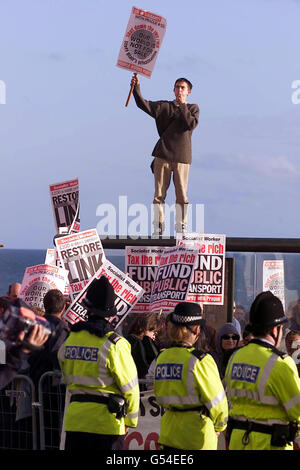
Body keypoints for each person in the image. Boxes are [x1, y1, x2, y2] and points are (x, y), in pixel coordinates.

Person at [58, 276, 140, 450]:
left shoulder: (71, 338)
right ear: (110, 313)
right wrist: (130, 421)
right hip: (106, 424)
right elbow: (131, 388)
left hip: (75, 421)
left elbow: (64, 372)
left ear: (87, 308)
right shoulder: (115, 345)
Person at [224, 291, 300, 450]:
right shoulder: (280, 363)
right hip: (269, 444)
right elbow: (297, 411)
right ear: (275, 330)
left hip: (238, 442)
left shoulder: (235, 357)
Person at [131, 73, 199, 235]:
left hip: (182, 157)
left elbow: (189, 124)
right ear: (173, 89)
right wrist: (135, 88)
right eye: (177, 87)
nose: (179, 90)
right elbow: (143, 104)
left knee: (182, 194)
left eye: (183, 88)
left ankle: (181, 225)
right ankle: (158, 226)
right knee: (159, 195)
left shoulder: (192, 108)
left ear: (188, 91)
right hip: (163, 154)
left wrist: (182, 106)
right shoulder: (164, 106)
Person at [154, 302, 228, 450]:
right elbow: (217, 401)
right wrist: (220, 426)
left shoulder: (163, 357)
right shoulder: (200, 360)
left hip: (169, 433)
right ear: (196, 329)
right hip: (196, 437)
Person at [28, 289, 69, 387]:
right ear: (63, 308)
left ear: (45, 306)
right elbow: (58, 355)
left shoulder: (35, 324)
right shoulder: (61, 329)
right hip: (52, 386)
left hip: (33, 380)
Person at [126, 311, 161, 386]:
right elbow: (143, 369)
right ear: (146, 327)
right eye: (153, 331)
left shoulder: (138, 341)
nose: (155, 335)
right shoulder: (135, 341)